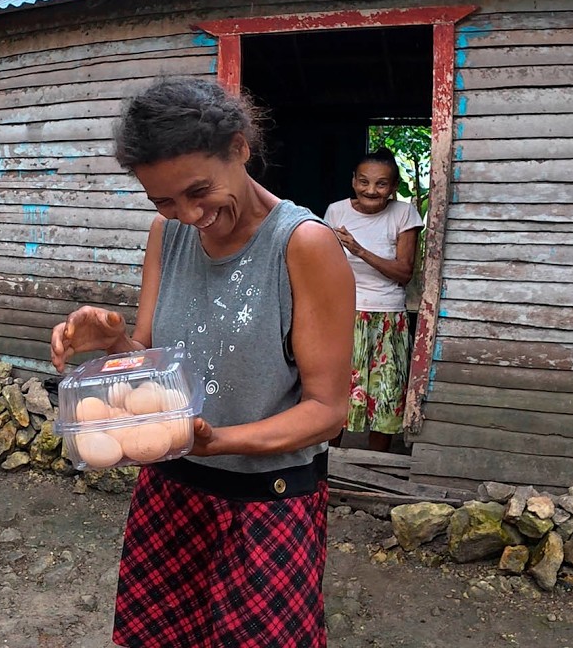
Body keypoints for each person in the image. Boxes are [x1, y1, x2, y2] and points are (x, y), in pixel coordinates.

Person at [49, 77, 354, 648]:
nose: (187, 214)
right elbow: (152, 366)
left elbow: (327, 411)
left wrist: (217, 440)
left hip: (267, 502)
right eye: (163, 199)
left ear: (239, 147)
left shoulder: (303, 245)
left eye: (198, 191)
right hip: (169, 489)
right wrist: (114, 343)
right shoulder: (168, 233)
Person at [324, 148, 423, 453]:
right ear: (353, 181)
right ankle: (328, 463)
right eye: (364, 181)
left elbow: (404, 272)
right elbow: (322, 266)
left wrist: (358, 249)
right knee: (337, 392)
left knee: (387, 394)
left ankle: (374, 465)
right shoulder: (336, 212)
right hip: (344, 315)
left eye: (381, 184)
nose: (371, 190)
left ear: (393, 187)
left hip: (388, 317)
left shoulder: (404, 214)